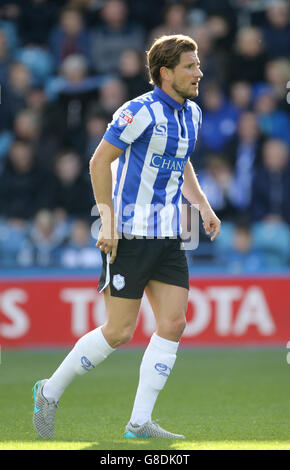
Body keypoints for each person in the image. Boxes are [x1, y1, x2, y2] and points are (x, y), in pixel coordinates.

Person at [32, 34, 221, 440]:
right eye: (190, 66)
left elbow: (182, 161)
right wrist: (109, 222)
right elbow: (99, 163)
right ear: (166, 72)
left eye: (198, 64)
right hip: (129, 234)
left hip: (170, 233)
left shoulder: (193, 115)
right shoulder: (137, 112)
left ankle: (139, 422)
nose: (198, 72)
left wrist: (203, 206)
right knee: (119, 332)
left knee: (173, 322)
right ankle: (48, 392)